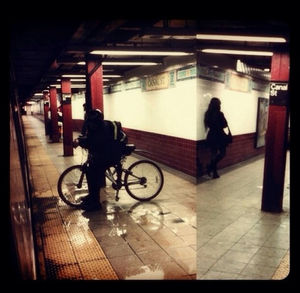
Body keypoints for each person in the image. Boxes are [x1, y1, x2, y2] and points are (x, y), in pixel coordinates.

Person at [73, 109, 118, 211]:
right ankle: (92, 196)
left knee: (94, 174)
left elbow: (94, 142)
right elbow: (89, 138)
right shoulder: (96, 126)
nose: (90, 124)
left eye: (91, 122)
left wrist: (80, 142)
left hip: (109, 155)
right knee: (90, 172)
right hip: (101, 154)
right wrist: (80, 140)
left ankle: (96, 203)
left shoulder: (103, 128)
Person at [204, 97, 229, 179]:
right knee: (222, 153)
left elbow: (207, 124)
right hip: (220, 136)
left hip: (211, 135)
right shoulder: (220, 114)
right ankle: (211, 167)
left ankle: (213, 171)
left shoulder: (207, 113)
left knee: (213, 154)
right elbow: (225, 124)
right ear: (217, 105)